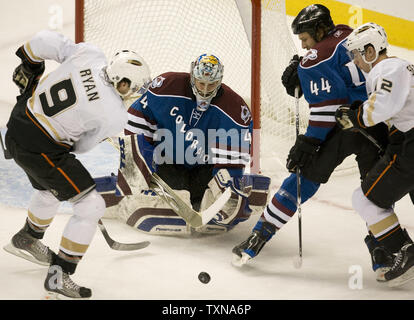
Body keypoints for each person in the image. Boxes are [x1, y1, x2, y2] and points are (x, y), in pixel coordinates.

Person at [232, 4, 389, 272]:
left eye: (305, 39)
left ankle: (258, 237)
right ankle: (382, 251)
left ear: (319, 29)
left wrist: (309, 142)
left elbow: (328, 110)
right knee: (375, 188)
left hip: (344, 128)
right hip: (376, 125)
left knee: (302, 179)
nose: (304, 47)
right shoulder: (349, 35)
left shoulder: (315, 59)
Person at [3, 30, 151, 299]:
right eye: (132, 88)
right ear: (124, 82)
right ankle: (60, 275)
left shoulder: (91, 55)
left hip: (16, 124)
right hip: (40, 149)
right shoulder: (115, 115)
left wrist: (29, 63)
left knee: (50, 189)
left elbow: (41, 41)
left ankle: (28, 238)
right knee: (90, 204)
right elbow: (80, 147)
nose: (130, 93)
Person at [97, 53, 271, 236]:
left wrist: (227, 189)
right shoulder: (166, 86)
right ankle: (130, 191)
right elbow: (137, 117)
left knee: (222, 198)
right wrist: (142, 163)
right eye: (200, 83)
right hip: (168, 164)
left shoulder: (235, 109)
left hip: (204, 170)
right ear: (191, 75)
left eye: (211, 84)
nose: (204, 90)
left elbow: (231, 163)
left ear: (220, 81)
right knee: (151, 182)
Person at [335, 22, 414, 287]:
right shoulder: (403, 66)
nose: (355, 60)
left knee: (364, 200)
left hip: (411, 147)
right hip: (407, 141)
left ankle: (406, 251)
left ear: (370, 51)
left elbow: (381, 107)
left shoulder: (387, 68)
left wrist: (356, 116)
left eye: (357, 54)